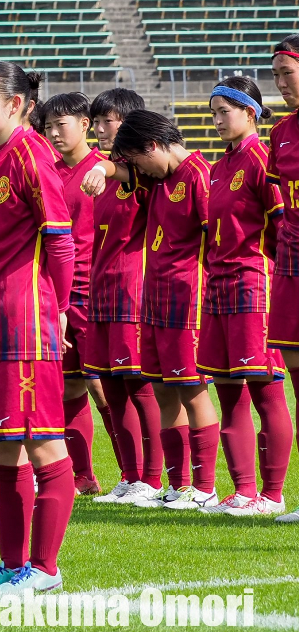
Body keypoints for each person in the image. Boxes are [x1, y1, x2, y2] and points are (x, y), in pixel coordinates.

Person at [0, 62, 76, 598]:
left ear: (15, 104)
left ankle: (45, 568)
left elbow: (60, 240)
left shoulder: (31, 155)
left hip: (23, 318)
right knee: (4, 448)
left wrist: (60, 308)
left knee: (43, 443)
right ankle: (12, 564)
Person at [97, 109, 219, 510]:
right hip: (154, 300)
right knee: (165, 390)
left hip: (187, 301)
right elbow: (120, 173)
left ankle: (204, 488)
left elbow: (214, 244)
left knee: (192, 390)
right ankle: (178, 485)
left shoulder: (199, 176)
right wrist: (102, 168)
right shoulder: (157, 180)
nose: (138, 171)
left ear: (152, 146)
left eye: (138, 160)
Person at [195, 77, 292, 516]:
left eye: (224, 112)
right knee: (227, 389)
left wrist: (269, 272)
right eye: (213, 113)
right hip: (217, 285)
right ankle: (243, 492)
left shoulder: (261, 158)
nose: (217, 120)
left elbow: (281, 224)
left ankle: (272, 495)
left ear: (249, 113)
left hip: (253, 282)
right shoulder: (220, 166)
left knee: (264, 388)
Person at [80, 89, 156, 504]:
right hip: (101, 289)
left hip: (133, 290)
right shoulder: (103, 175)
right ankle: (130, 477)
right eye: (97, 122)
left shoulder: (143, 173)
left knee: (139, 384)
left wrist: (107, 166)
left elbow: (130, 172)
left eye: (108, 121)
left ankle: (153, 479)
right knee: (111, 386)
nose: (100, 129)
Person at [43, 92, 106, 494]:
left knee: (104, 385)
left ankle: (138, 478)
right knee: (69, 386)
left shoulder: (106, 169)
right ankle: (84, 476)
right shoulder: (48, 171)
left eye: (60, 124)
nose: (53, 133)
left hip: (96, 292)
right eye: (48, 126)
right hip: (58, 295)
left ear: (85, 124)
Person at [267, 38, 299, 524]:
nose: (279, 82)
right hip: (292, 258)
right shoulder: (281, 132)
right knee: (295, 368)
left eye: (286, 72)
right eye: (274, 73)